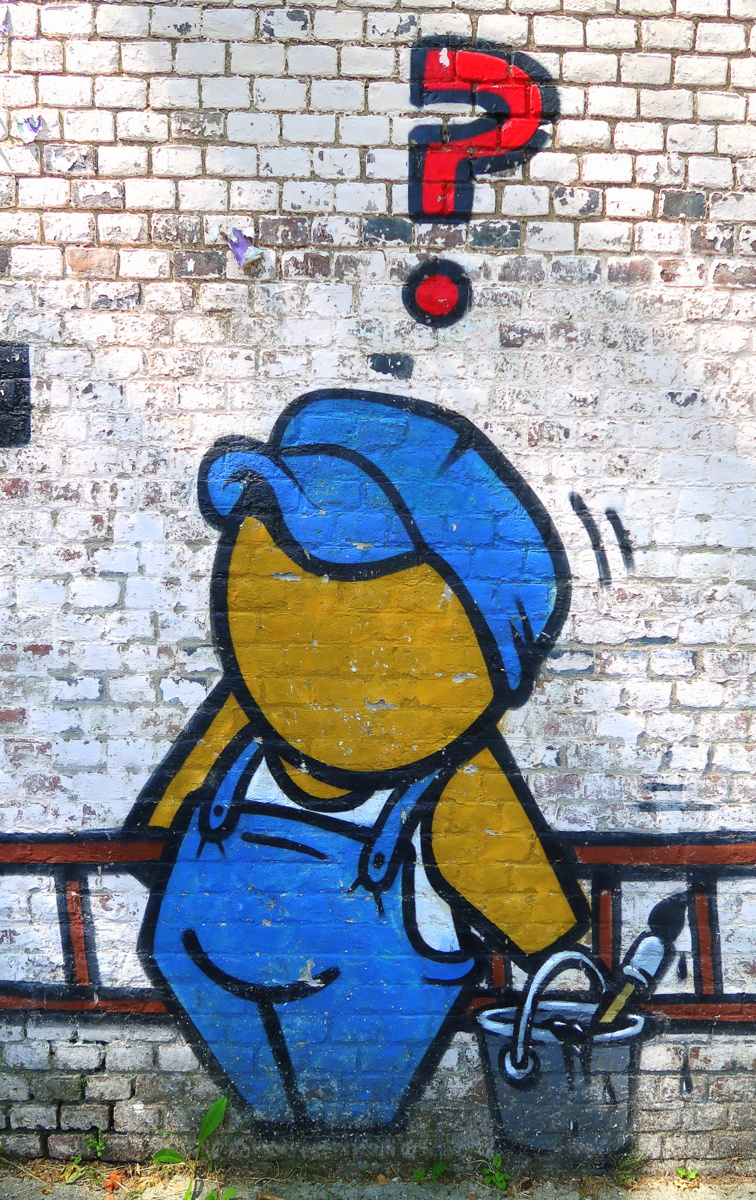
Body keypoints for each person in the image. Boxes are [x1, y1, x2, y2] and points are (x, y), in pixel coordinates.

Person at [130, 390, 589, 1130]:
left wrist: (565, 964)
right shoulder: (237, 728)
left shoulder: (459, 783)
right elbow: (146, 840)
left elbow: (534, 915)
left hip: (370, 1117)